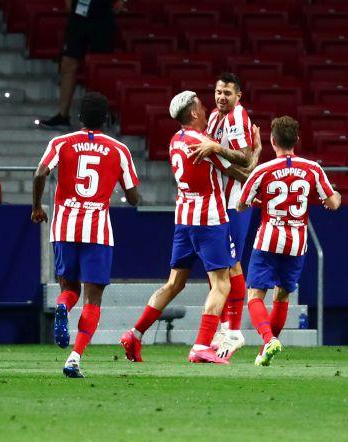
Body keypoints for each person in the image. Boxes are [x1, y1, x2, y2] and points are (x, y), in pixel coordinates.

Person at [120, 91, 244, 365]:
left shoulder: (176, 140)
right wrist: (253, 150)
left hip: (184, 219)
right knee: (222, 284)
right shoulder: (203, 143)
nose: (205, 106)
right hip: (209, 219)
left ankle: (135, 333)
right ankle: (201, 345)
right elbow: (242, 171)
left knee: (175, 282)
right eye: (201, 105)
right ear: (194, 114)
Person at [31, 92, 140, 378]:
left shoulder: (60, 142)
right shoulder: (118, 149)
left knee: (69, 290)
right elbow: (133, 198)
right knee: (93, 299)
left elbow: (40, 173)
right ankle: (74, 358)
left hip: (64, 227)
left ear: (79, 118)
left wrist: (37, 207)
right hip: (97, 232)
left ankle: (62, 307)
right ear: (105, 119)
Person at [239, 116, 341, 366]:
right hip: (297, 243)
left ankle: (268, 339)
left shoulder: (263, 170)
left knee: (254, 295)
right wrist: (334, 194)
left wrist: (258, 201)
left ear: (272, 141)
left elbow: (241, 205)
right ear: (296, 139)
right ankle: (267, 349)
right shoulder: (312, 169)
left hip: (268, 241)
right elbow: (334, 203)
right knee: (282, 297)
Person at [187, 72, 260, 359]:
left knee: (230, 265)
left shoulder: (236, 118)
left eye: (228, 93)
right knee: (220, 265)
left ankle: (233, 330)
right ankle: (223, 329)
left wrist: (218, 148)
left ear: (238, 96)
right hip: (220, 200)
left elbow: (243, 159)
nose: (221, 97)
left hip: (235, 200)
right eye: (218, 92)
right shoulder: (217, 117)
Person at [39, 0, 126, 129]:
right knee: (68, 63)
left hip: (102, 17)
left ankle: (102, 115)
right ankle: (63, 116)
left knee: (101, 66)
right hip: (79, 16)